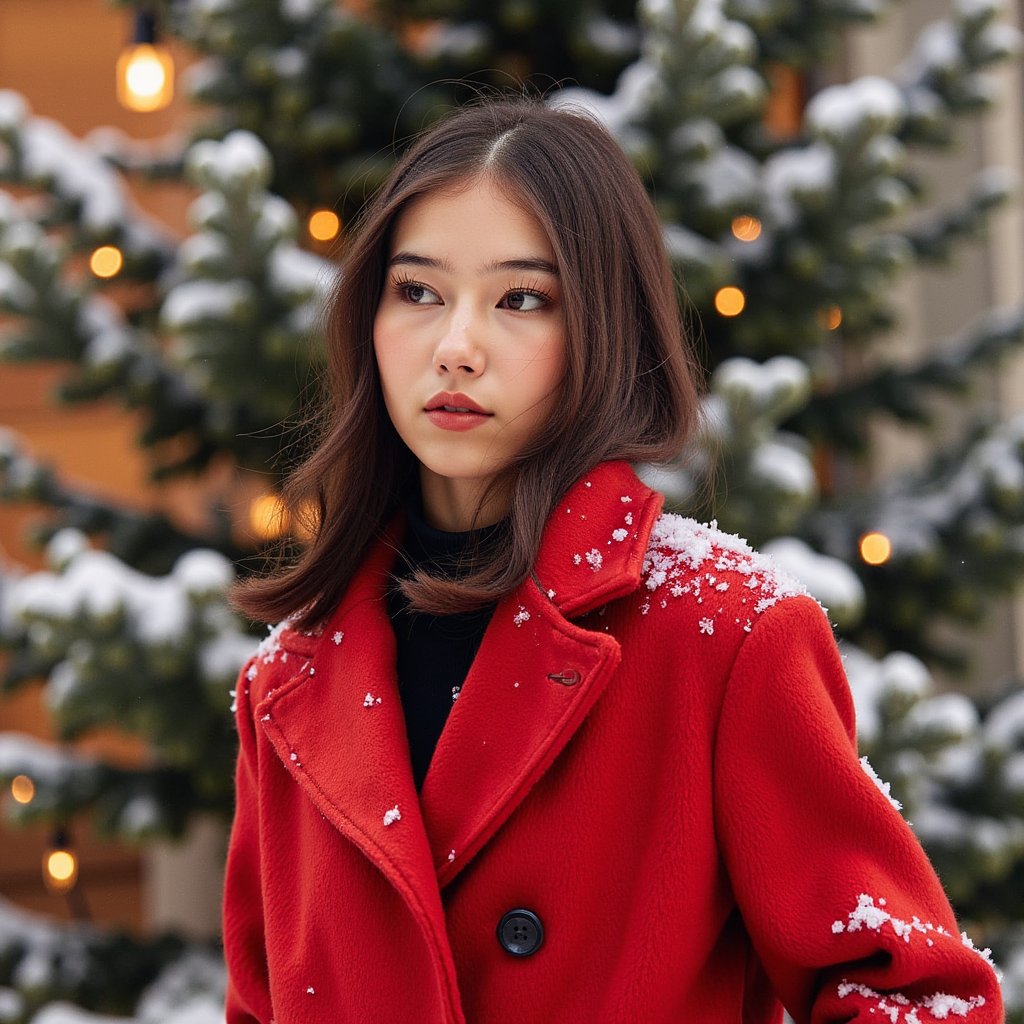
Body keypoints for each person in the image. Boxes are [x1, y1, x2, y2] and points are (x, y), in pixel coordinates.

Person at [223, 98, 1004, 1023]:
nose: (456, 347)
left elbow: (915, 997)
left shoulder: (726, 631)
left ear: (603, 327)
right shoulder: (289, 683)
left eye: (522, 298)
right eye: (419, 291)